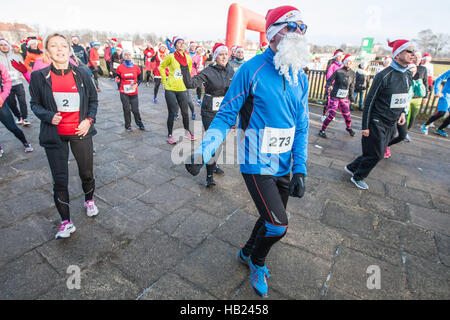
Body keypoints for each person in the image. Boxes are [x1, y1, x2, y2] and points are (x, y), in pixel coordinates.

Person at [185, 5, 309, 297]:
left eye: (303, 28)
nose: (299, 33)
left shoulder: (300, 76)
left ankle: (245, 252)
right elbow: (226, 115)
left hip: (285, 164)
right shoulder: (251, 70)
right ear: (275, 34)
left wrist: (300, 167)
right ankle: (257, 260)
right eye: (293, 27)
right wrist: (204, 152)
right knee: (278, 226)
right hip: (256, 163)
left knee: (268, 218)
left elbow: (302, 127)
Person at [29, 33, 99, 239]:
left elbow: (93, 101)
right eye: (54, 46)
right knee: (60, 180)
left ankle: (89, 200)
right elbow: (34, 104)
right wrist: (49, 116)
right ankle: (65, 222)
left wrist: (89, 120)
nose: (59, 49)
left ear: (69, 50)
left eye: (63, 45)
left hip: (80, 132)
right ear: (47, 51)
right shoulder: (38, 77)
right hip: (55, 135)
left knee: (86, 173)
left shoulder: (83, 73)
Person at [345, 39, 414, 190]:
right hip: (377, 120)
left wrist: (402, 112)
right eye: (408, 51)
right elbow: (369, 101)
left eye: (413, 51)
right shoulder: (384, 75)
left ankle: (352, 167)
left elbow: (403, 97)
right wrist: (365, 126)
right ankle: (358, 176)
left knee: (374, 151)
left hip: (392, 121)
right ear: (397, 54)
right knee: (377, 154)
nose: (412, 54)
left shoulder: (408, 74)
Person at [180, 42, 234, 187]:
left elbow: (236, 92)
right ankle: (209, 175)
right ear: (215, 57)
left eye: (225, 54)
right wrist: (185, 67)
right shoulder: (208, 71)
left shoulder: (231, 71)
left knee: (219, 141)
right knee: (212, 141)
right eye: (220, 55)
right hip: (209, 111)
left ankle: (213, 165)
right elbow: (190, 84)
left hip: (224, 112)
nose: (224, 57)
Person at [159, 36, 195, 144]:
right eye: (179, 43)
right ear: (175, 45)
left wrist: (188, 82)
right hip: (170, 88)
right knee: (172, 112)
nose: (181, 44)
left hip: (182, 88)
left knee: (185, 112)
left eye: (183, 43)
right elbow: (161, 67)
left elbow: (188, 71)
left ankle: (187, 131)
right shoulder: (171, 56)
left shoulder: (188, 58)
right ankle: (170, 135)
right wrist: (164, 82)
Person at [384, 64, 425, 158]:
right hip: (393, 111)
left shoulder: (414, 82)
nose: (412, 72)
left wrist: (419, 81)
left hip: (404, 112)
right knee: (391, 133)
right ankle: (385, 148)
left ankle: (386, 145)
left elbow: (422, 93)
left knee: (402, 135)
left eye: (414, 70)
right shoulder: (401, 80)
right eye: (410, 70)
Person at [0, 60, 33, 155]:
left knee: (12, 127)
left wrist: (2, 97)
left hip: (1, 103)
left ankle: (25, 142)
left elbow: (7, 81)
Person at [319, 54, 356, 138]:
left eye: (351, 62)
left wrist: (351, 97)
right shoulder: (338, 71)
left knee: (347, 115)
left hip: (344, 97)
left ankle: (348, 128)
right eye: (348, 61)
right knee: (331, 115)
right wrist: (329, 86)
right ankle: (322, 130)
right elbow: (329, 81)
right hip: (335, 96)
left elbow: (352, 86)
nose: (349, 63)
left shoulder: (353, 73)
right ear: (345, 62)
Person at [0, 38, 31, 126]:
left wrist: (23, 74)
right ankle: (18, 116)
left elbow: (23, 68)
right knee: (11, 103)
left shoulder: (15, 56)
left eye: (5, 45)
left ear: (8, 46)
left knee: (22, 101)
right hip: (6, 85)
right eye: (1, 45)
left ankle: (25, 118)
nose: (4, 47)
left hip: (18, 82)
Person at [115, 49, 145, 132]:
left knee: (135, 110)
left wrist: (136, 84)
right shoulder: (120, 67)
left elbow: (140, 79)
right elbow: (117, 77)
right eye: (126, 55)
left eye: (129, 55)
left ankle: (140, 124)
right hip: (124, 92)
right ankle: (128, 125)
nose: (128, 56)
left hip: (133, 92)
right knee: (126, 109)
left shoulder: (136, 67)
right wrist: (117, 80)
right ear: (123, 56)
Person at [421, 69, 450, 137]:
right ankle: (425, 125)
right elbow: (439, 79)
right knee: (442, 113)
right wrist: (437, 91)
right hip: (446, 95)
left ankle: (440, 129)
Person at [322, 49, 344, 122]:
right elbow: (329, 75)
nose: (341, 57)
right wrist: (330, 84)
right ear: (336, 57)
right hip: (331, 86)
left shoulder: (343, 66)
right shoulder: (333, 65)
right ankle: (324, 115)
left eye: (341, 56)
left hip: (338, 87)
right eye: (339, 56)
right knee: (328, 101)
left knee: (335, 103)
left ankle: (331, 115)